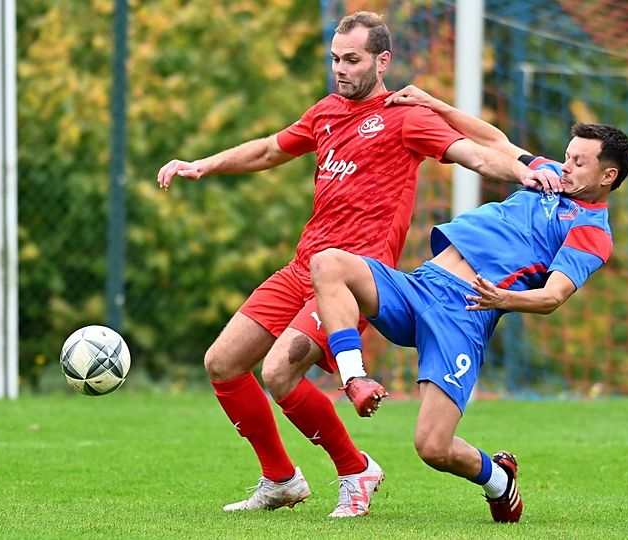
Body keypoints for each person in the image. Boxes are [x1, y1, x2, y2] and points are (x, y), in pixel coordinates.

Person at [155, 13, 557, 518]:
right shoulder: (326, 111)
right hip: (303, 265)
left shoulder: (405, 117)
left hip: (352, 279)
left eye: (352, 60)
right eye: (335, 60)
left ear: (382, 61)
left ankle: (355, 470)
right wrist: (202, 164)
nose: (340, 70)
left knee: (279, 371)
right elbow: (267, 149)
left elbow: (473, 154)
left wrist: (523, 173)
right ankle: (280, 479)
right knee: (222, 363)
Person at [311, 88, 628, 522]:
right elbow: (496, 142)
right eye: (567, 156)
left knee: (432, 447)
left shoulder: (592, 231)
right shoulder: (549, 175)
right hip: (421, 285)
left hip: (464, 315)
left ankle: (499, 480)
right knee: (328, 262)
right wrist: (436, 105)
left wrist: (504, 299)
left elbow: (553, 296)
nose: (566, 165)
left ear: (607, 176)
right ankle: (355, 379)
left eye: (579, 162)